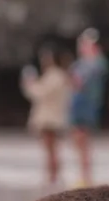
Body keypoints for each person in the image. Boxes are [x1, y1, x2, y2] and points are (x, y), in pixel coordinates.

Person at [20, 45, 74, 189]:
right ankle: (52, 175)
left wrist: (29, 84)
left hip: (50, 118)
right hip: (53, 117)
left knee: (51, 150)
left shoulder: (55, 75)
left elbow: (40, 93)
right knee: (51, 149)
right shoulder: (57, 75)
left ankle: (53, 176)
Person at [68, 28, 109, 187]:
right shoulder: (80, 63)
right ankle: (83, 175)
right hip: (77, 104)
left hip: (88, 105)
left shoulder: (97, 62)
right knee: (78, 141)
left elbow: (81, 81)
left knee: (84, 141)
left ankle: (86, 177)